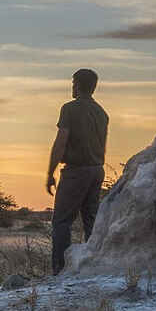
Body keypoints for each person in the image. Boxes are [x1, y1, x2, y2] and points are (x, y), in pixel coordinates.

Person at [46, 69, 109, 272]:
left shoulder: (70, 109)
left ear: (77, 85)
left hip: (76, 171)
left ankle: (60, 270)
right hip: (97, 170)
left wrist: (50, 172)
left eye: (73, 83)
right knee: (91, 221)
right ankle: (93, 267)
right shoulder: (102, 113)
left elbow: (61, 142)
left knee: (61, 222)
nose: (72, 87)